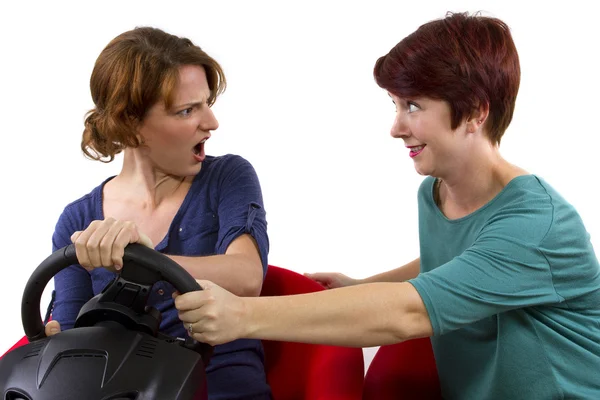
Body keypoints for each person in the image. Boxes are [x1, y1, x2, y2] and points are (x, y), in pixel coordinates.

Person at [173, 12, 600, 399]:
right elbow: (459, 260)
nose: (396, 127)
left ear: (475, 111)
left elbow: (407, 313)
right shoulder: (438, 192)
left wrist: (243, 315)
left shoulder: (537, 226)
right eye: (395, 104)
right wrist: (361, 284)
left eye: (413, 106)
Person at [44, 26, 272, 400]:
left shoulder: (227, 177)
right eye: (187, 111)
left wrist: (143, 259)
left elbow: (247, 277)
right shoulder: (77, 221)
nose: (212, 123)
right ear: (131, 125)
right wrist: (56, 342)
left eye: (207, 103)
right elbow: (69, 334)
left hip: (222, 390)